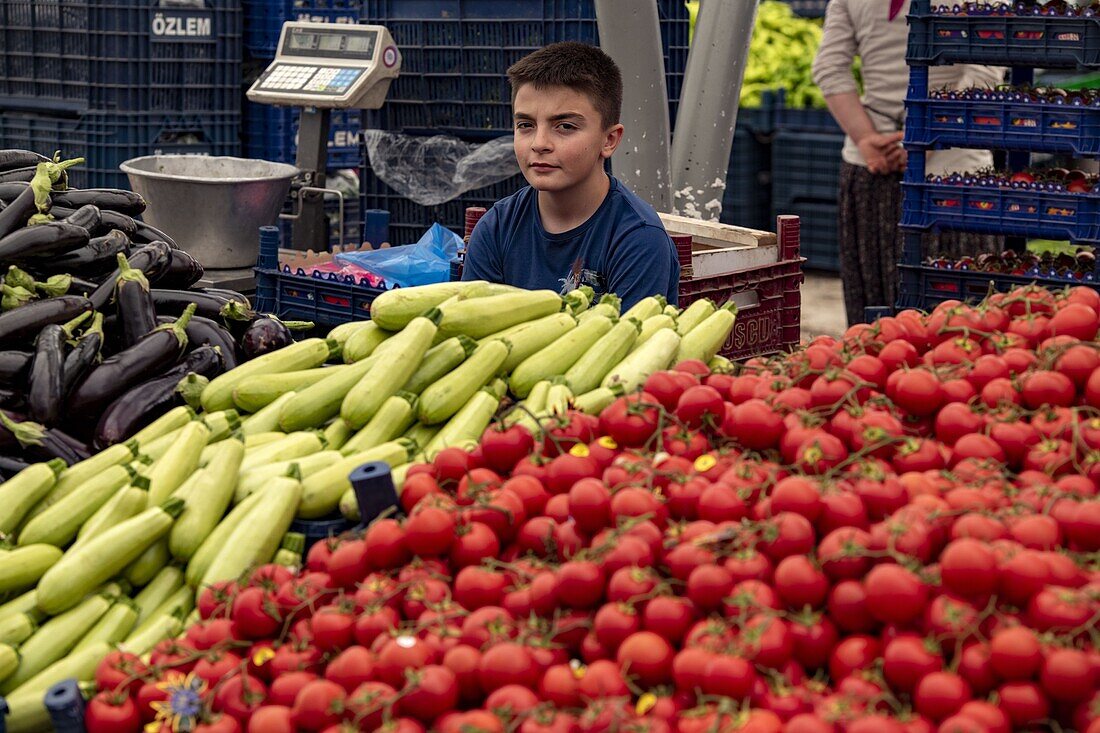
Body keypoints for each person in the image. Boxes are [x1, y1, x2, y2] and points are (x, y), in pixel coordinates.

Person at [812, 0, 1004, 325]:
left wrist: (865, 139)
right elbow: (984, 73)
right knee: (958, 321)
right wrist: (923, 141)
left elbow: (829, 68)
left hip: (873, 161)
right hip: (953, 170)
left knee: (877, 321)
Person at [461, 41, 681, 311]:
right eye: (525, 125)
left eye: (564, 126)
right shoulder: (496, 230)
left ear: (609, 140)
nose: (539, 143)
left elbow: (633, 349)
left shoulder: (638, 239)